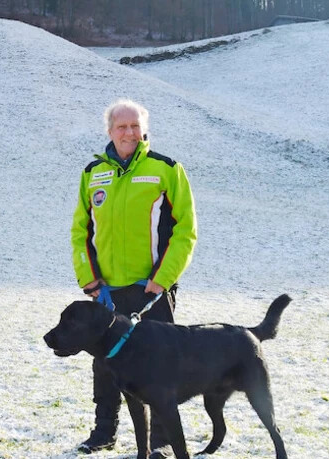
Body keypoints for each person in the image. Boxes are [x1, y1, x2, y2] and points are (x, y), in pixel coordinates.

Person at [71, 99, 197, 458]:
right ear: (109, 131)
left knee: (158, 368)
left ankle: (161, 442)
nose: (128, 132)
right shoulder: (92, 173)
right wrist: (90, 281)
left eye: (134, 126)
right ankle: (103, 433)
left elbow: (186, 232)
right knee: (105, 366)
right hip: (107, 294)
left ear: (144, 130)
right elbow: (80, 231)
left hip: (151, 291)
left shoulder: (166, 169)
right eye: (121, 126)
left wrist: (162, 279)